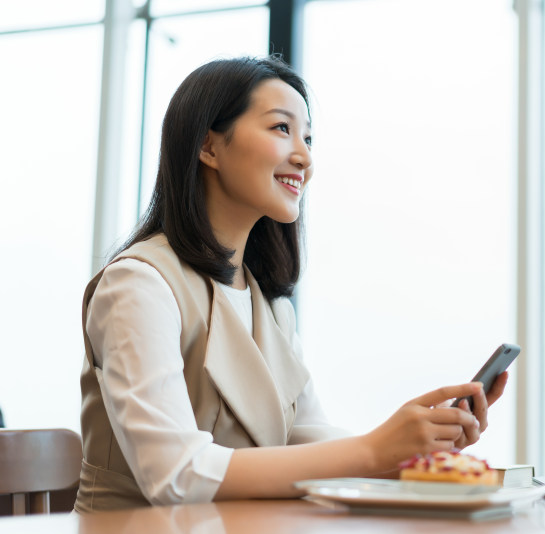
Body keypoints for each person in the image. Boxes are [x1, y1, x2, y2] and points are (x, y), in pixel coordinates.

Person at [75, 56, 508, 512]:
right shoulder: (138, 285)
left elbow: (308, 437)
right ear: (209, 147)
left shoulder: (271, 306)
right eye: (281, 128)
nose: (304, 156)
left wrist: (418, 446)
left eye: (308, 137)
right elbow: (176, 474)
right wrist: (376, 449)